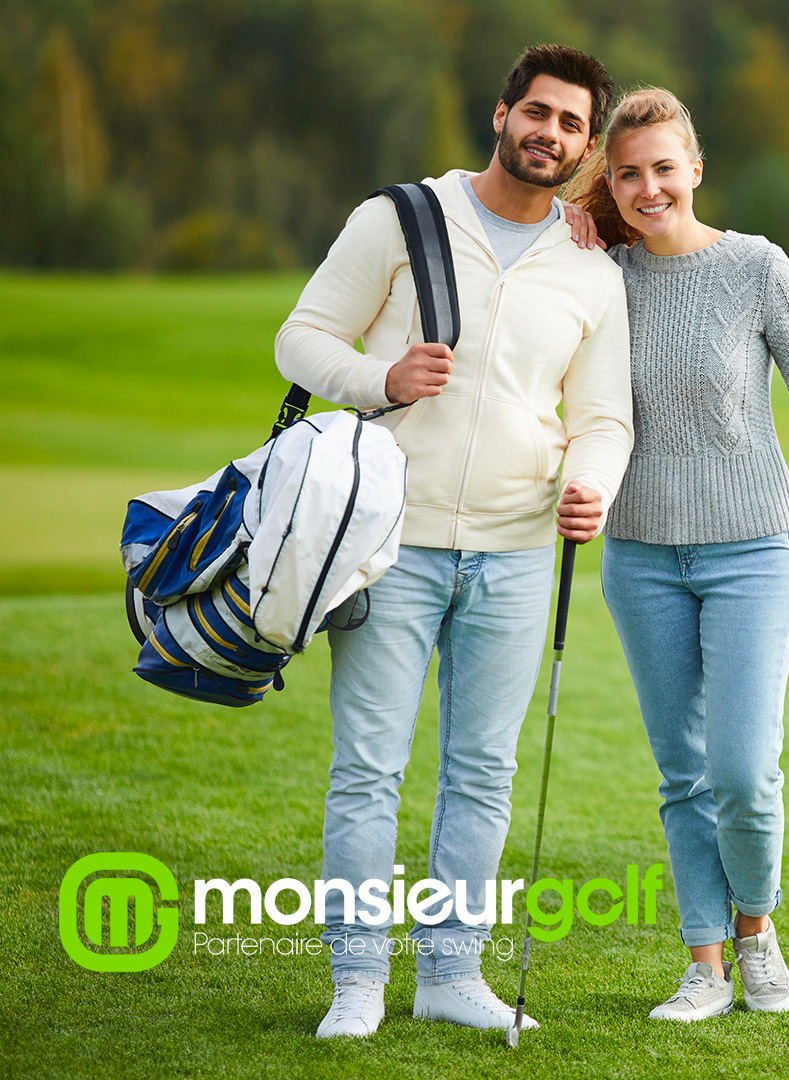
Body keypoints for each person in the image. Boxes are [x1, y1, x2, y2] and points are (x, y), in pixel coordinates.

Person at [275, 45, 633, 1038]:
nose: (549, 133)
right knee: (369, 769)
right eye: (538, 112)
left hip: (519, 553)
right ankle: (356, 984)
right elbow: (301, 338)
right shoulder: (399, 217)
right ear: (500, 113)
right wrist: (379, 380)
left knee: (482, 772)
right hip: (393, 541)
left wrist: (589, 485)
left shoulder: (589, 269)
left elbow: (604, 418)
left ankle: (449, 976)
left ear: (585, 145)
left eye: (570, 125)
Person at [562, 88, 789, 1020]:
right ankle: (704, 964)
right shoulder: (602, 274)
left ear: (696, 168)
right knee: (681, 774)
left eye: (663, 168)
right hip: (638, 555)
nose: (647, 188)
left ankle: (757, 929)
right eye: (627, 173)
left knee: (743, 773)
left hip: (753, 548)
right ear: (612, 179)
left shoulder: (757, 267)